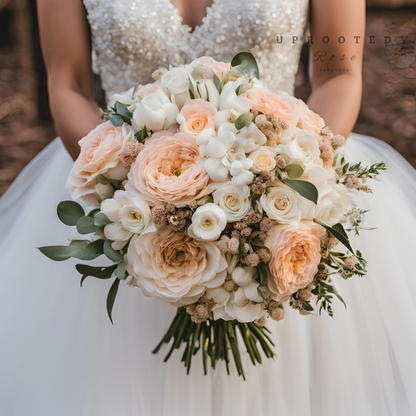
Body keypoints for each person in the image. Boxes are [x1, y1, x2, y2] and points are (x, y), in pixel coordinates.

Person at [0, 0, 415, 414]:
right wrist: (131, 187)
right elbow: (66, 84)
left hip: (280, 189)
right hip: (125, 204)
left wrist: (286, 178)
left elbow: (340, 72)